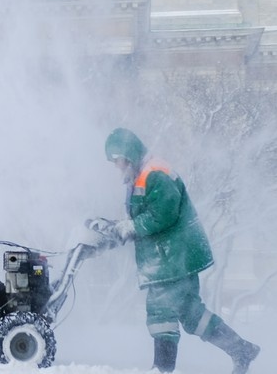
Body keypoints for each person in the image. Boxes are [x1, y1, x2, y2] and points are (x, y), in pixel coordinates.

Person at [87, 127, 260, 373]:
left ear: (129, 155)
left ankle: (163, 369)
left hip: (173, 256)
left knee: (160, 311)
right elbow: (138, 219)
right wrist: (114, 229)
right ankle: (241, 350)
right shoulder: (139, 176)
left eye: (117, 160)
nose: (116, 166)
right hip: (170, 256)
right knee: (191, 314)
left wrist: (129, 228)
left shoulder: (155, 173)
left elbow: (162, 215)